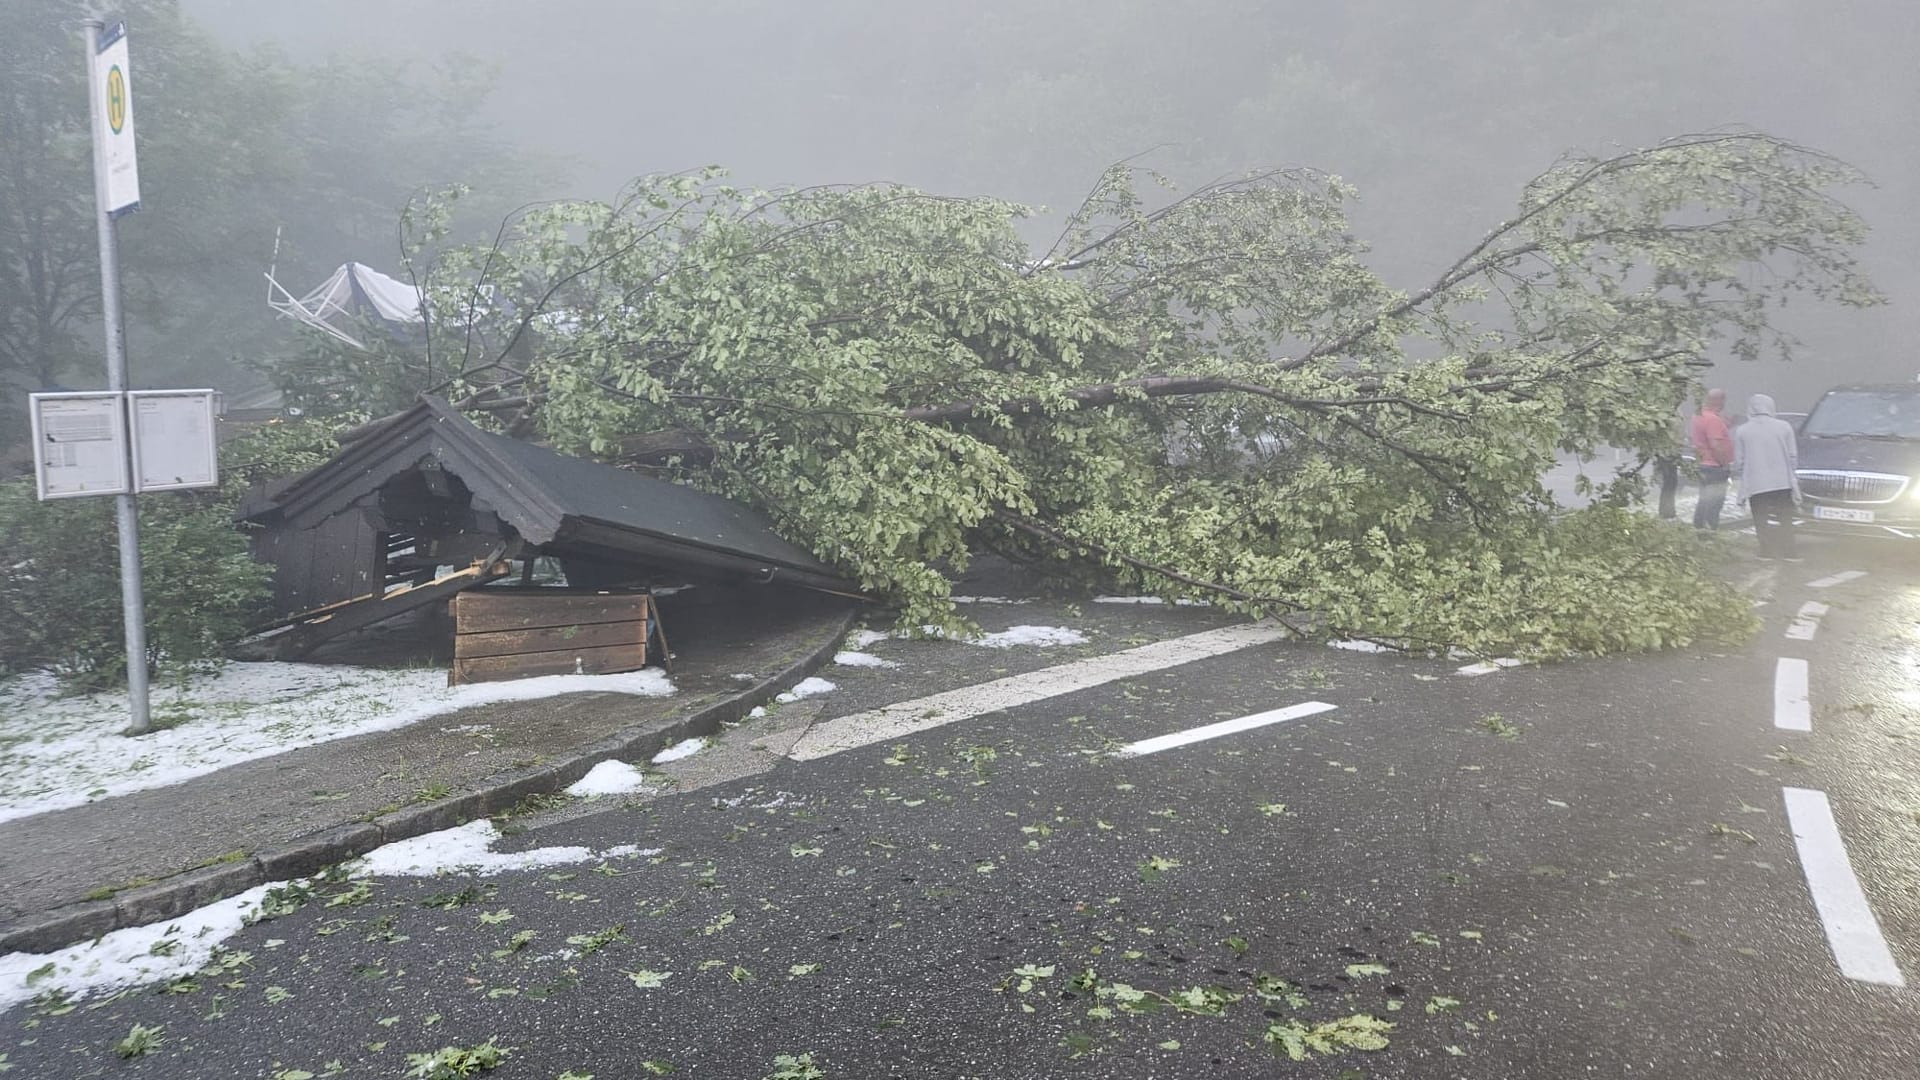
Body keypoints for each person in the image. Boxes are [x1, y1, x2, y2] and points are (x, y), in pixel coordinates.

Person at [1733, 393, 1801, 560]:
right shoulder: (1784, 427)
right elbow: (1793, 456)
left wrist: (1744, 475)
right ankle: (1790, 552)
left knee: (1760, 519)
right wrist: (1791, 473)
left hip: (1756, 482)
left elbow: (1739, 460)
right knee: (1785, 518)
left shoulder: (1743, 431)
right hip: (1782, 481)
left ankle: (1766, 551)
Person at [1688, 389, 1735, 529]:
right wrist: (1724, 464)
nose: (1724, 403)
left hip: (1702, 463)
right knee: (1715, 502)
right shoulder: (1713, 419)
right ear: (1717, 400)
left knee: (1704, 500)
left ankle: (1700, 528)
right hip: (1714, 466)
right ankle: (1711, 530)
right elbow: (1715, 444)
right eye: (1723, 400)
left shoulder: (1698, 416)